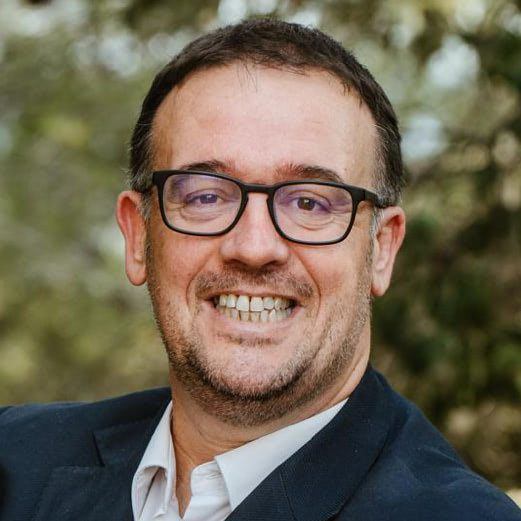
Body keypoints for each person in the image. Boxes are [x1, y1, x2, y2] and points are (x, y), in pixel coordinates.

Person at [0, 18, 519, 521]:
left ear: (381, 250)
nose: (253, 247)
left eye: (310, 203)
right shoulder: (14, 462)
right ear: (138, 236)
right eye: (205, 196)